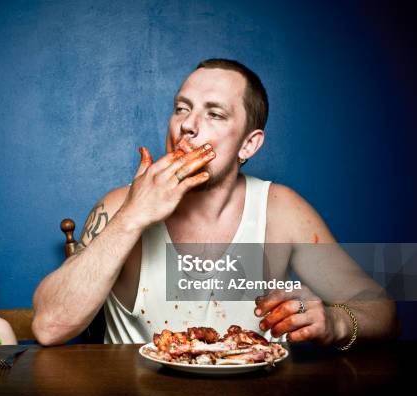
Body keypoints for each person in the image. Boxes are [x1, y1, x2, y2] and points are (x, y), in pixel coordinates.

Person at [32, 58, 399, 347]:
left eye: (214, 114)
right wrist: (133, 216)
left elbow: (383, 312)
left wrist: (334, 322)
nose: (188, 126)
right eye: (181, 108)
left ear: (248, 145)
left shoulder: (281, 210)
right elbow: (48, 328)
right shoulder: (118, 206)